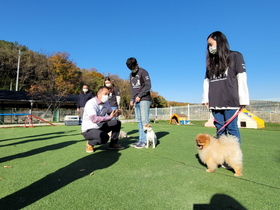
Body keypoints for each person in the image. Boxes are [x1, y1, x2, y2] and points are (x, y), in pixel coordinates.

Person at [202, 31, 249, 144]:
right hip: (215, 101)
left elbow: (241, 78)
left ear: (219, 42)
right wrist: (206, 99)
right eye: (208, 45)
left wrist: (243, 99)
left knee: (231, 128)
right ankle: (221, 157)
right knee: (220, 129)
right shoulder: (211, 62)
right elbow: (206, 81)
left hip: (231, 101)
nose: (209, 47)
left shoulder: (235, 56)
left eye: (211, 44)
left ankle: (234, 158)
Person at [81, 86, 124, 153]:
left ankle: (113, 143)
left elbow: (111, 112)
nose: (107, 96)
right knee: (105, 138)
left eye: (108, 94)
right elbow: (94, 119)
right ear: (99, 94)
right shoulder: (91, 103)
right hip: (89, 130)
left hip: (100, 127)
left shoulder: (106, 103)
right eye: (105, 94)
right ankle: (90, 143)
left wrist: (117, 113)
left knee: (116, 122)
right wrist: (109, 117)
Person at [126, 57, 152, 149]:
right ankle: (140, 139)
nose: (132, 69)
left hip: (144, 99)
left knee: (144, 120)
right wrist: (131, 99)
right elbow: (132, 88)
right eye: (130, 68)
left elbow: (148, 85)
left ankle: (145, 141)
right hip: (136, 100)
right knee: (139, 120)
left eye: (133, 67)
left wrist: (140, 95)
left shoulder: (143, 72)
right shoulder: (131, 75)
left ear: (136, 64)